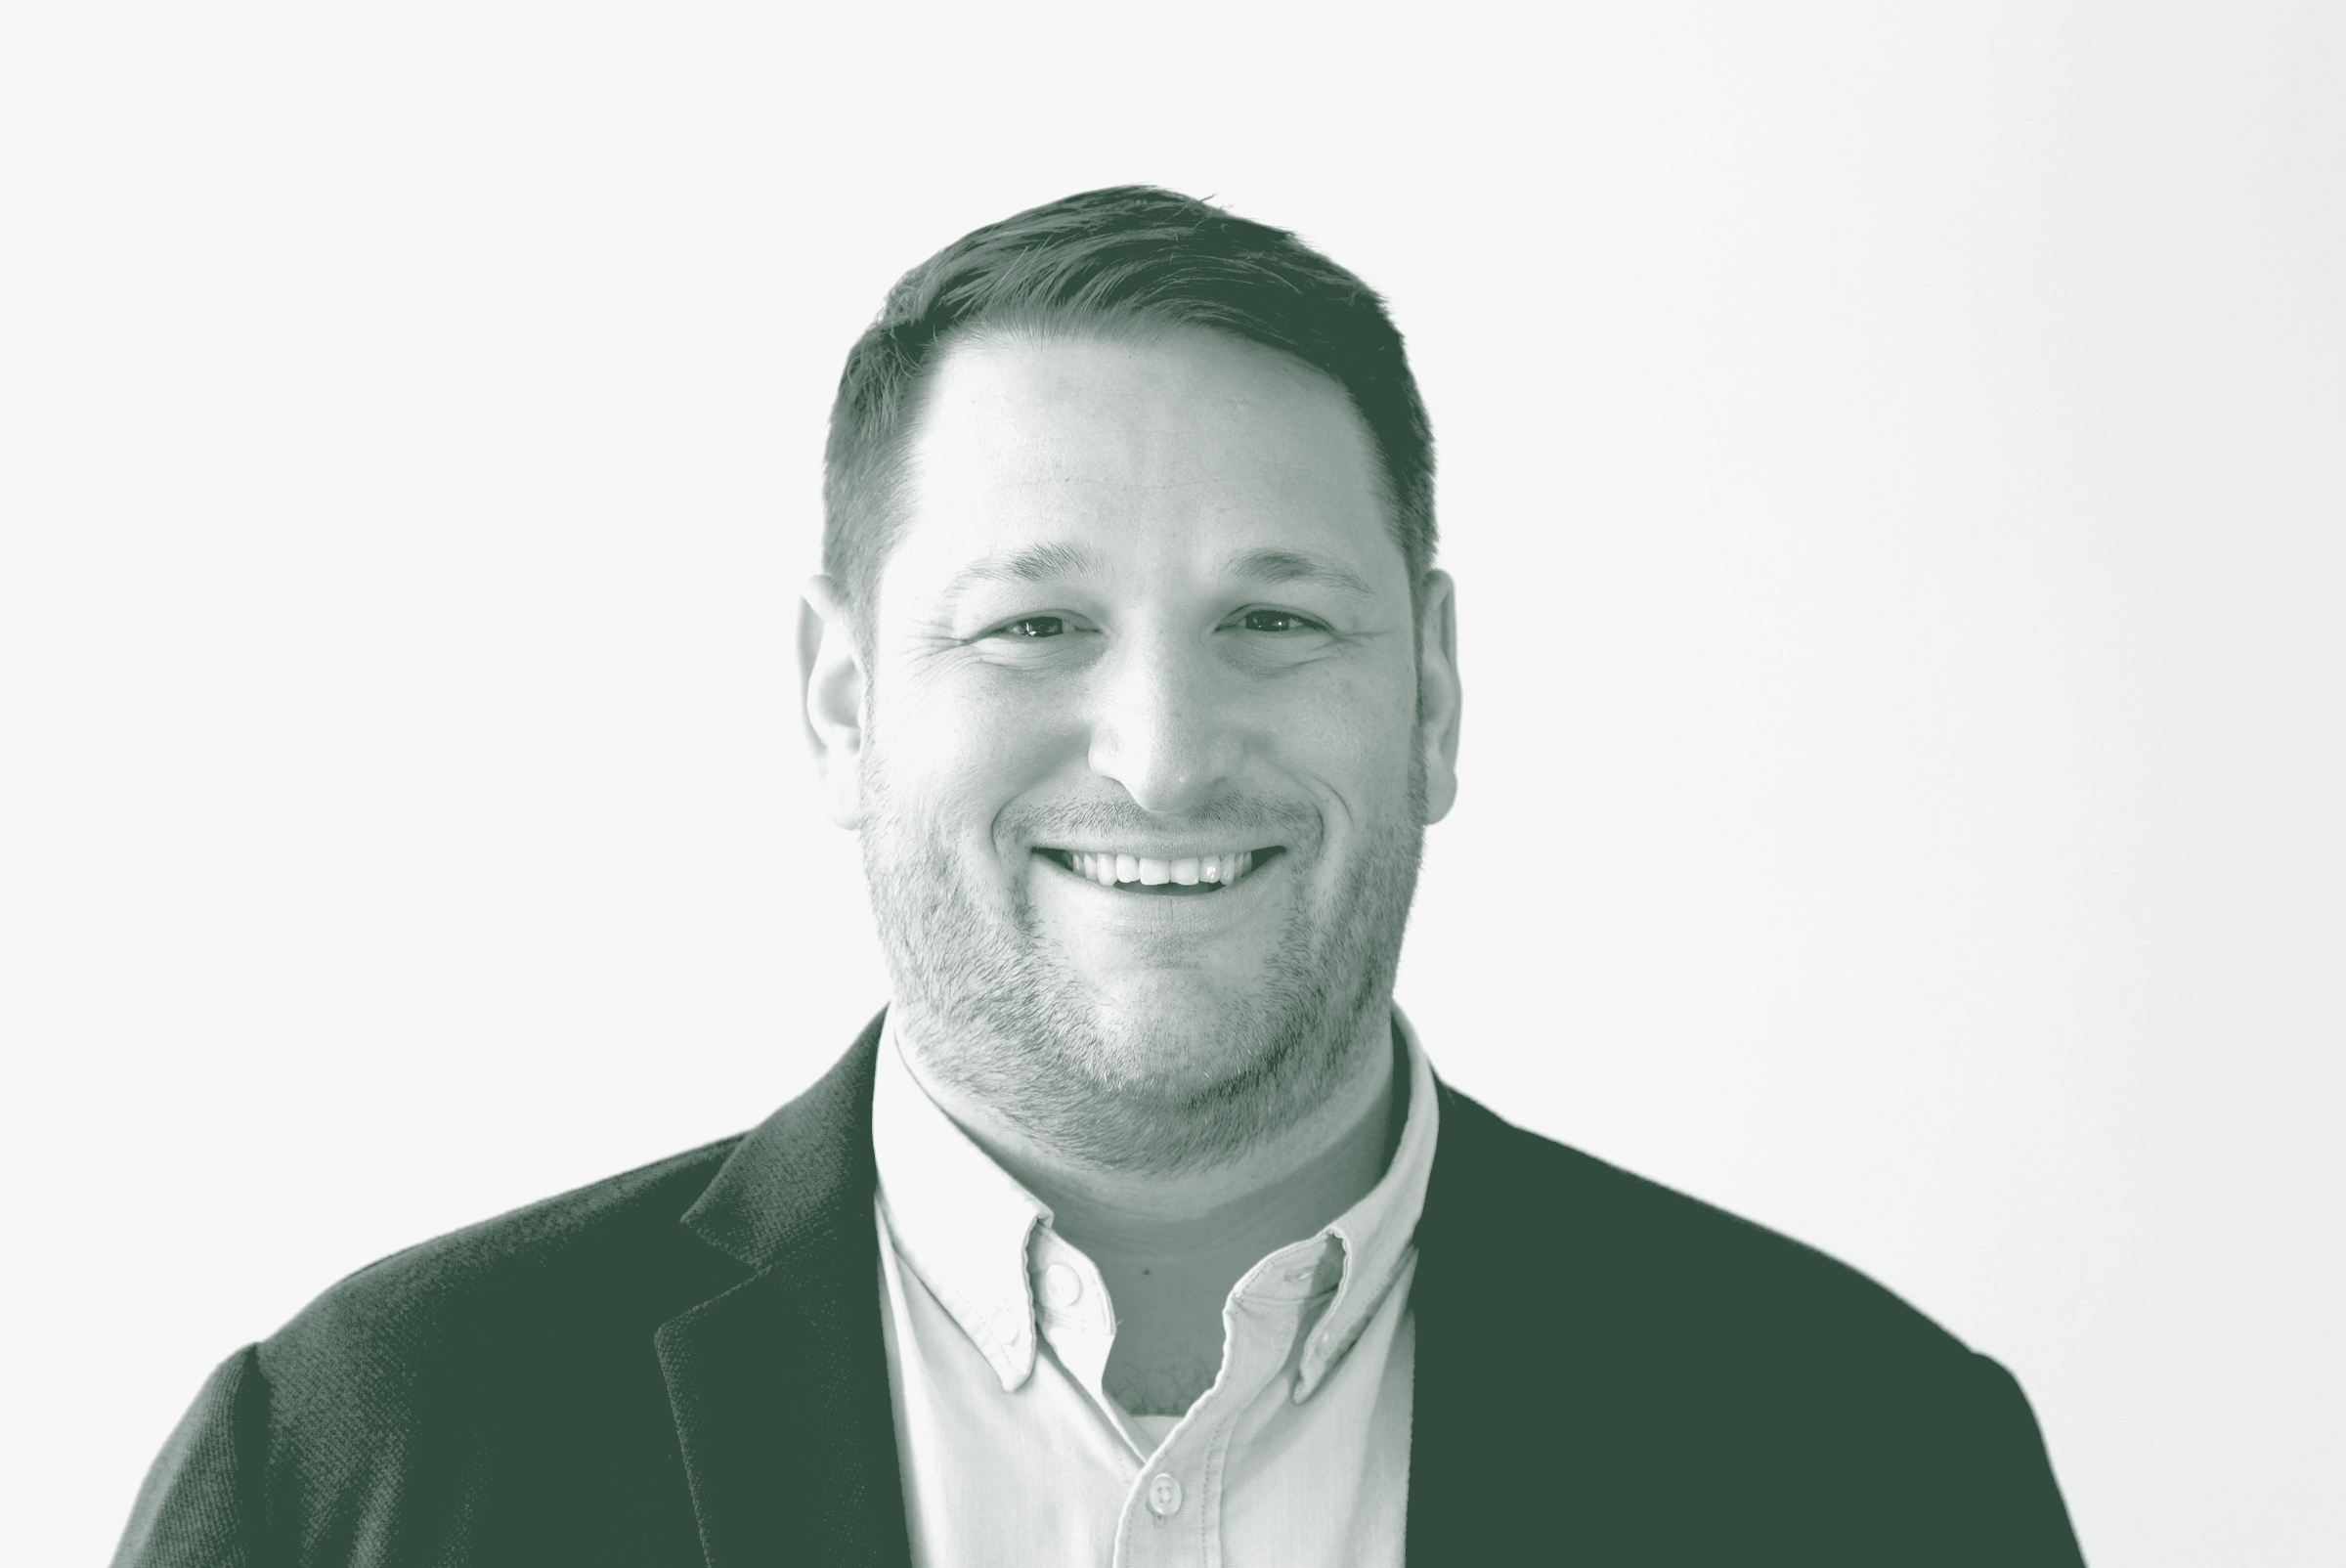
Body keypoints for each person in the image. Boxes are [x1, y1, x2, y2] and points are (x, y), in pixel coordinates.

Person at [112, 186, 2084, 1567]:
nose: (1159, 750)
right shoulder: (363, 1465)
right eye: (1035, 626)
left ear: (1436, 695)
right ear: (838, 698)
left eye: (1278, 620)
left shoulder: (1880, 1461)